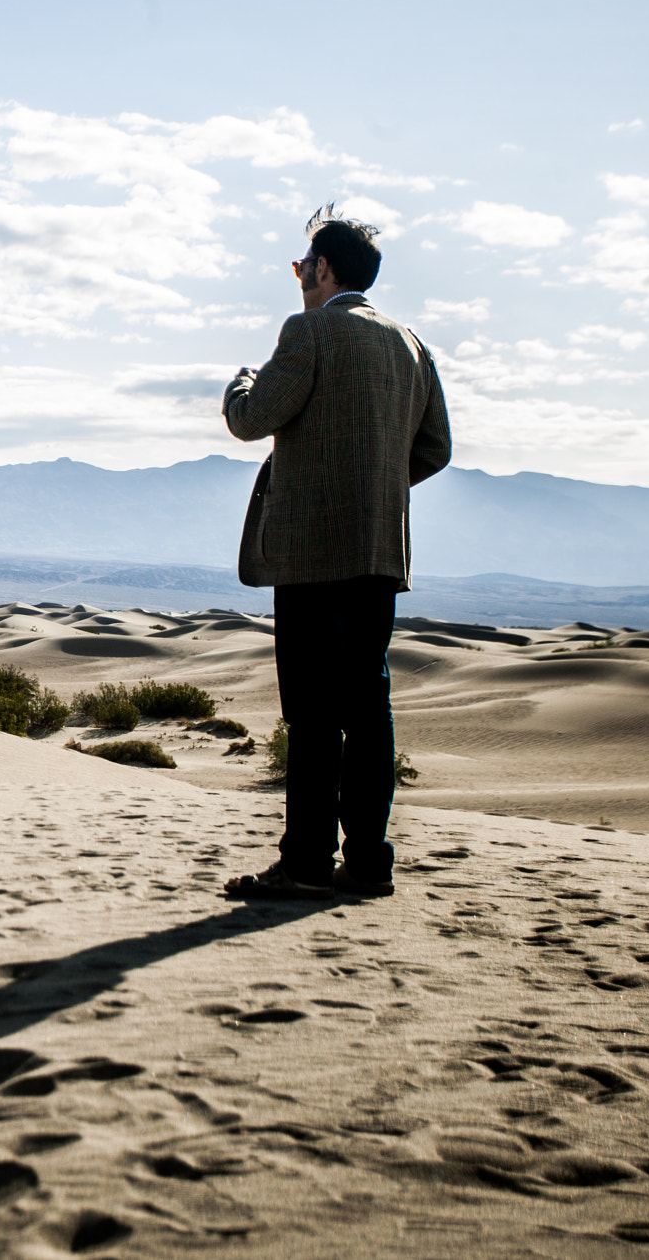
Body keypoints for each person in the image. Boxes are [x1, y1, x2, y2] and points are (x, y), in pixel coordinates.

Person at [220, 205, 452, 900]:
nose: (298, 279)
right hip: (379, 553)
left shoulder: (308, 331)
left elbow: (252, 418)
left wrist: (239, 381)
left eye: (301, 267)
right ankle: (370, 862)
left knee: (315, 714)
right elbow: (435, 449)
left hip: (310, 556)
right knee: (368, 709)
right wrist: (376, 481)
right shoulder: (411, 344)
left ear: (322, 268)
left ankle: (306, 862)